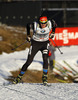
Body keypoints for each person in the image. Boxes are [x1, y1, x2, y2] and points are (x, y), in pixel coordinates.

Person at [13, 16, 57, 86]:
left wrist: (53, 32)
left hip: (44, 44)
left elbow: (54, 24)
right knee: (29, 61)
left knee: (45, 59)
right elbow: (28, 25)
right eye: (41, 23)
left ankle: (45, 77)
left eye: (44, 23)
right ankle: (19, 77)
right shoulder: (35, 25)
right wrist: (28, 35)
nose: (43, 25)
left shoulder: (50, 23)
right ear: (39, 22)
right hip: (35, 44)